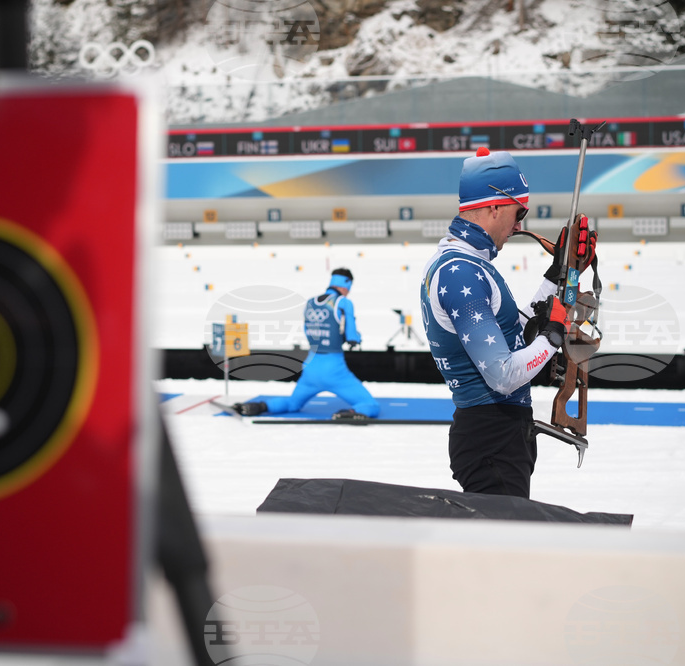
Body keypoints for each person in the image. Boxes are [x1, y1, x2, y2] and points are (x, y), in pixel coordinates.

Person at [419, 147, 594, 499]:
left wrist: (559, 275)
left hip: (496, 434)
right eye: (518, 212)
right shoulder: (460, 272)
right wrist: (553, 335)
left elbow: (514, 332)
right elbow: (503, 375)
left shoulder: (467, 264)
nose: (519, 226)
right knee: (500, 536)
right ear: (494, 207)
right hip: (492, 436)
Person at [234, 268, 380, 420]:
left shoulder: (311, 302)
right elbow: (352, 337)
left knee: (293, 403)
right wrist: (356, 338)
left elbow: (308, 331)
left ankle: (260, 406)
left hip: (310, 366)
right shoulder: (343, 303)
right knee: (371, 405)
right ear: (346, 285)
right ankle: (350, 413)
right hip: (334, 369)